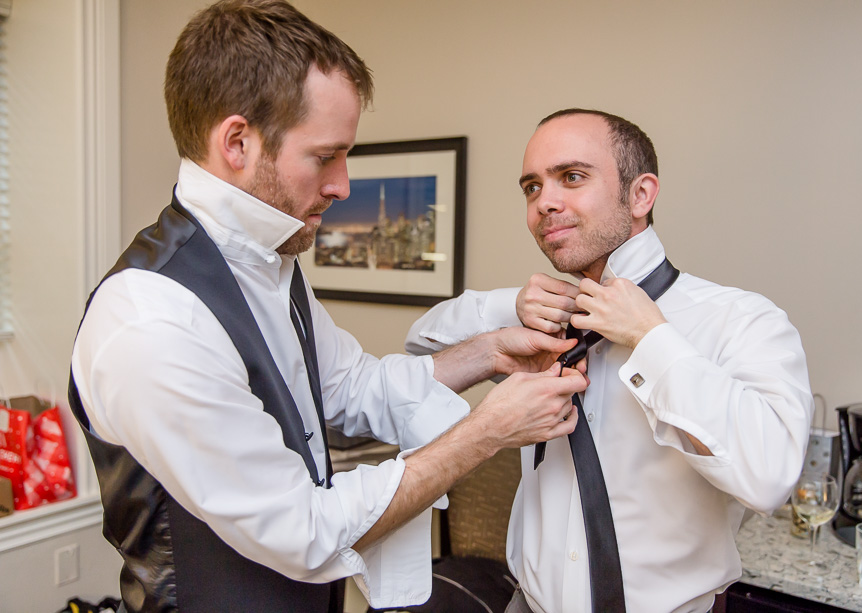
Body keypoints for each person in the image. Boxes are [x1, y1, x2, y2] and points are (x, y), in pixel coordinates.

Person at [68, 3, 587, 612]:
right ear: (237, 142)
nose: (343, 185)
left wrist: (487, 352)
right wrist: (486, 433)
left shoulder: (272, 263)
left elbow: (351, 389)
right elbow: (305, 532)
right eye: (325, 156)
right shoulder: (151, 320)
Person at [405, 109, 814, 613]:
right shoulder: (544, 324)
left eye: (571, 177)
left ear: (641, 195)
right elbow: (418, 351)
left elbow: (771, 476)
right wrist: (507, 306)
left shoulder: (741, 320)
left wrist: (651, 338)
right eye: (531, 187)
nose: (544, 203)